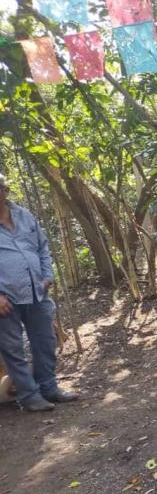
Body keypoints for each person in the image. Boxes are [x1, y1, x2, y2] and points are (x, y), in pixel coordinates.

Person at [0, 173, 79, 411]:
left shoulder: (24, 215)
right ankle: (30, 396)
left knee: (45, 341)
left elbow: (43, 247)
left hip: (37, 291)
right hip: (5, 297)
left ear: (5, 190)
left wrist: (48, 276)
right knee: (13, 348)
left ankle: (49, 388)